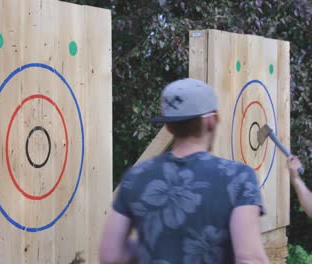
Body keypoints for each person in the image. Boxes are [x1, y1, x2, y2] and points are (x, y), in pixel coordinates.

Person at [99, 78, 269, 264]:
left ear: (169, 126)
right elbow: (250, 258)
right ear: (211, 121)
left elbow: (111, 257)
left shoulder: (135, 177)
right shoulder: (238, 178)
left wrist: (147, 247)